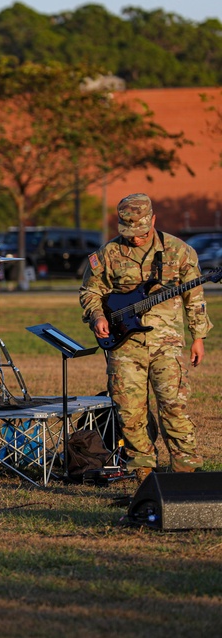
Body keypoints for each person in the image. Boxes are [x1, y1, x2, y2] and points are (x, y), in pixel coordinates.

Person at [80, 193, 212, 483]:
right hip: (124, 344)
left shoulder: (179, 251)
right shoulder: (107, 254)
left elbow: (195, 297)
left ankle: (186, 471)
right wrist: (98, 316)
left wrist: (198, 337)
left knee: (173, 406)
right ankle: (142, 471)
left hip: (167, 343)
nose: (135, 238)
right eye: (128, 232)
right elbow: (90, 291)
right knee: (129, 410)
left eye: (140, 231)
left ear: (153, 220)